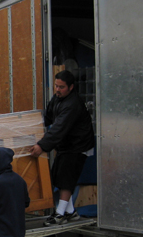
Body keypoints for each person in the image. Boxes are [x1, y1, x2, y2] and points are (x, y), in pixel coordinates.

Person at [30, 70, 95, 226]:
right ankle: (70, 212)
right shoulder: (58, 99)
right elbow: (49, 117)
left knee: (66, 179)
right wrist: (32, 126)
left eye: (62, 87)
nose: (57, 90)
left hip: (78, 146)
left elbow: (59, 127)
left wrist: (42, 145)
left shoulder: (73, 104)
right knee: (59, 176)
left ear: (71, 87)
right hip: (66, 144)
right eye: (56, 86)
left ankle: (59, 214)